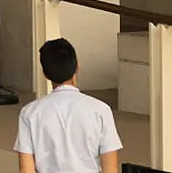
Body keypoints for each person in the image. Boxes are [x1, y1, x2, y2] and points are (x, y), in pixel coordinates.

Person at [15, 38, 122, 173]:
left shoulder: (30, 113)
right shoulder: (101, 110)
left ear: (45, 74)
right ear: (77, 67)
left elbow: (26, 170)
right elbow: (110, 169)